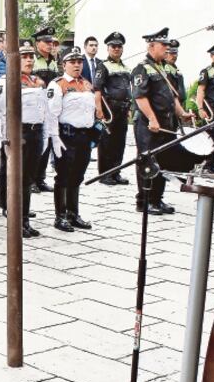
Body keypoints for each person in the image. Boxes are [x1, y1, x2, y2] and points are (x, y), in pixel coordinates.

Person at [132, 27, 192, 215]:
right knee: (148, 161)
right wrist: (152, 118)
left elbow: (172, 96)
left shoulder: (164, 68)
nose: (167, 48)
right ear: (151, 46)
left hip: (166, 123)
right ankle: (144, 201)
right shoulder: (142, 68)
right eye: (163, 45)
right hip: (149, 125)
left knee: (164, 161)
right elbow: (140, 97)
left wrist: (182, 113)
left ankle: (157, 198)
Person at [0, 38, 45, 237]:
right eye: (24, 56)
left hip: (35, 132)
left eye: (31, 56)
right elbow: (1, 112)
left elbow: (43, 109)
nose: (29, 60)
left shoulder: (37, 81)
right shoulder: (6, 81)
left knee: (28, 178)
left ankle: (24, 217)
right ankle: (14, 216)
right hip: (18, 133)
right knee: (15, 177)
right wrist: (4, 138)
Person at [46, 45, 97, 232]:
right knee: (63, 176)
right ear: (64, 64)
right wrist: (54, 138)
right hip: (66, 136)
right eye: (72, 62)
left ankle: (73, 214)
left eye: (79, 62)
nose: (77, 65)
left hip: (84, 136)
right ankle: (60, 216)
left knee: (77, 176)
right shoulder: (58, 84)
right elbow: (52, 114)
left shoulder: (86, 84)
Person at [93, 32, 132, 185]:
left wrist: (129, 108)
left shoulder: (125, 67)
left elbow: (127, 89)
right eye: (113, 46)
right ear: (108, 48)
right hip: (109, 109)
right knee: (107, 142)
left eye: (119, 46)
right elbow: (97, 89)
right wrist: (99, 110)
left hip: (123, 109)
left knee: (119, 142)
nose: (116, 49)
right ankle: (105, 175)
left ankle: (116, 172)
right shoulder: (103, 66)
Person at [31, 27, 60, 193]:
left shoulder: (53, 61)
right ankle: (31, 180)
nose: (50, 45)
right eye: (46, 42)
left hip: (51, 108)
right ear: (37, 43)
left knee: (47, 144)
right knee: (36, 145)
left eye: (52, 42)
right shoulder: (32, 59)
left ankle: (40, 178)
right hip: (36, 107)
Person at [194, 42, 214, 172]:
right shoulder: (207, 71)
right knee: (212, 137)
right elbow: (200, 90)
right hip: (211, 108)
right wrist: (200, 108)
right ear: (212, 56)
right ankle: (209, 164)